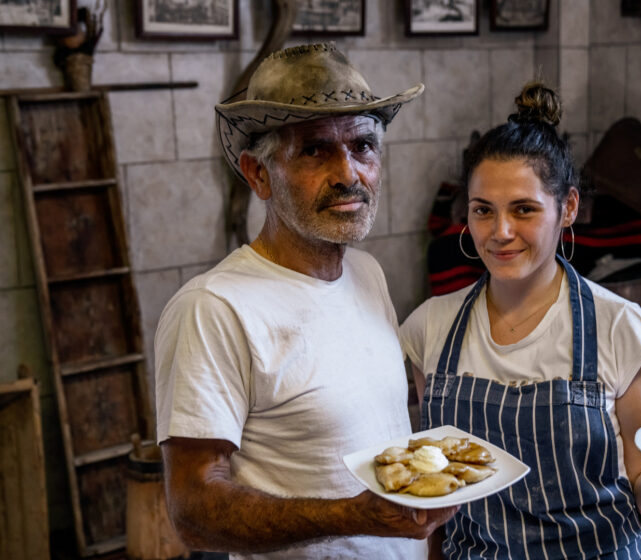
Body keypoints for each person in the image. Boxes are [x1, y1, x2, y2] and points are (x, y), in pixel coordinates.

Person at [399, 82, 641, 559]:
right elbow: (436, 489)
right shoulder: (430, 328)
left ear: (567, 208)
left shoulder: (623, 330)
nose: (501, 232)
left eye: (524, 209)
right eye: (483, 211)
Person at [154, 42, 456, 559]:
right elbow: (195, 512)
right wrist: (352, 516)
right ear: (258, 174)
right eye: (315, 150)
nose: (348, 174)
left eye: (363, 146)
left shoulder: (366, 273)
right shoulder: (213, 308)